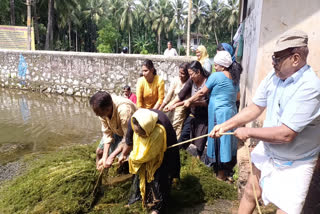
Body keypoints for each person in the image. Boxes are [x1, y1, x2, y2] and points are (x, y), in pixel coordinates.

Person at [210, 30, 320, 214]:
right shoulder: (274, 76)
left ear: (295, 58)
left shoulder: (310, 88)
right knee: (250, 193)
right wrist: (226, 125)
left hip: (296, 161)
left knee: (285, 211)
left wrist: (249, 132)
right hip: (270, 150)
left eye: (277, 58)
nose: (273, 62)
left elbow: (286, 134)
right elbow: (255, 108)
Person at [105, 109, 181, 214]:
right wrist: (123, 155)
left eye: (141, 134)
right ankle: (139, 199)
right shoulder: (134, 123)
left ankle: (158, 207)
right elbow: (128, 141)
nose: (139, 136)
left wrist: (134, 158)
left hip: (164, 151)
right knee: (141, 173)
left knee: (159, 177)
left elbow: (148, 157)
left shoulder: (160, 130)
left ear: (148, 130)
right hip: (149, 148)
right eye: (137, 133)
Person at [184, 51, 242, 181]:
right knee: (227, 141)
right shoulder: (234, 77)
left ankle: (220, 175)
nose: (215, 67)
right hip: (231, 113)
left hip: (219, 114)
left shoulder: (216, 77)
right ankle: (227, 172)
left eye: (216, 65)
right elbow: (238, 97)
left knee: (219, 141)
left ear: (222, 65)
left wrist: (189, 100)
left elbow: (201, 93)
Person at [167, 61, 210, 159]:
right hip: (193, 114)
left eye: (191, 74)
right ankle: (177, 156)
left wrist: (192, 102)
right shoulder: (191, 81)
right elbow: (181, 94)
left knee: (200, 142)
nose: (190, 77)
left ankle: (198, 161)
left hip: (205, 117)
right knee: (183, 137)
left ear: (198, 72)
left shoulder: (208, 82)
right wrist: (172, 104)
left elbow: (208, 102)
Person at [89, 91, 137, 170]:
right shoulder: (100, 109)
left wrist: (112, 156)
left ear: (108, 109)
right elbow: (107, 133)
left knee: (120, 160)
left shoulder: (124, 110)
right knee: (99, 152)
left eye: (99, 113)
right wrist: (105, 157)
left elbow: (127, 138)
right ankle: (98, 172)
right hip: (115, 129)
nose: (97, 115)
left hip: (130, 133)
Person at [160, 62, 190, 138]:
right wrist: (161, 107)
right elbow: (169, 95)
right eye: (179, 73)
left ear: (187, 74)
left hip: (182, 106)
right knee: (166, 122)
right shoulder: (175, 80)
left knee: (176, 124)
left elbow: (187, 100)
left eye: (183, 73)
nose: (180, 75)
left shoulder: (189, 83)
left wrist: (175, 105)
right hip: (172, 103)